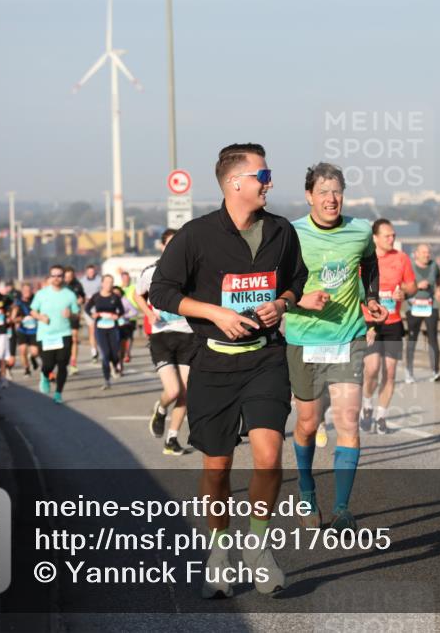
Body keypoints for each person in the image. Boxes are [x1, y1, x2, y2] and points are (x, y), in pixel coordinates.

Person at [150, 143, 306, 598]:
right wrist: (214, 313)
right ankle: (219, 551)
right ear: (236, 182)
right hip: (213, 363)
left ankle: (257, 547)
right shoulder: (195, 236)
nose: (270, 183)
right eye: (264, 175)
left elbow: (297, 281)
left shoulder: (281, 231)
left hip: (265, 358)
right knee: (217, 468)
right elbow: (162, 291)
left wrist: (282, 304)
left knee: (269, 457)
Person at [286, 162, 384, 532]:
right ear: (309, 196)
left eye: (337, 191)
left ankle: (342, 509)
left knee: (347, 419)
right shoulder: (291, 234)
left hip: (348, 337)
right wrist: (300, 300)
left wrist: (371, 298)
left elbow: (370, 264)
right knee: (308, 423)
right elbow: (275, 282)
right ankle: (306, 489)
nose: (331, 199)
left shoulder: (360, 230)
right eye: (323, 192)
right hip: (304, 338)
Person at [136, 228, 194, 457]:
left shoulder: (193, 269)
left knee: (186, 392)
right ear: (162, 247)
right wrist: (149, 314)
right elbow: (138, 294)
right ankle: (160, 409)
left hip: (188, 335)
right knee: (173, 390)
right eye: (170, 244)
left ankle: (171, 439)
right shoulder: (150, 271)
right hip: (162, 335)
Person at [360, 219, 417, 435]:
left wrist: (405, 293)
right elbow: (355, 289)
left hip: (393, 322)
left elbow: (412, 285)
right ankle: (367, 404)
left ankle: (381, 417)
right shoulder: (364, 260)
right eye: (387, 236)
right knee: (372, 368)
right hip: (370, 322)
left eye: (393, 235)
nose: (391, 239)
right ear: (375, 238)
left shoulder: (401, 258)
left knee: (390, 372)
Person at [30, 265, 81, 404]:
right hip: (46, 335)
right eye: (54, 275)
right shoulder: (41, 294)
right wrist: (41, 317)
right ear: (50, 277)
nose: (56, 278)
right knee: (48, 364)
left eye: (59, 275)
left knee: (62, 364)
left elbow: (77, 314)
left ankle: (58, 393)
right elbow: (32, 311)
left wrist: (71, 315)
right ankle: (45, 375)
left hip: (64, 334)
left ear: (63, 277)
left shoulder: (69, 294)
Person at [404, 243, 440, 383]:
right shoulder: (409, 267)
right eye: (423, 252)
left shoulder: (434, 266)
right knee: (412, 339)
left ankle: (435, 372)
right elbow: (402, 285)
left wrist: (439, 290)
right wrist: (417, 286)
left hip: (430, 305)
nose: (427, 255)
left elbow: (439, 278)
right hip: (413, 306)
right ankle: (409, 372)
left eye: (428, 252)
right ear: (416, 254)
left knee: (433, 338)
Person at [84, 274, 125, 390]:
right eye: (107, 282)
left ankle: (115, 364)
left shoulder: (115, 297)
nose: (109, 285)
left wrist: (117, 315)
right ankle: (107, 380)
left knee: (115, 354)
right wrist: (93, 314)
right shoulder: (96, 296)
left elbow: (121, 311)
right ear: (102, 283)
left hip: (113, 328)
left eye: (111, 282)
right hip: (100, 328)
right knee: (105, 354)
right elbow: (87, 308)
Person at [14, 282, 41, 376]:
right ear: (22, 291)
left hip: (34, 330)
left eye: (29, 290)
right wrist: (19, 319)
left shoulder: (36, 300)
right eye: (25, 290)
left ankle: (32, 358)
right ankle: (26, 369)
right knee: (23, 350)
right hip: (23, 330)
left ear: (32, 291)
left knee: (35, 352)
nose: (27, 292)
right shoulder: (18, 302)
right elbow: (13, 318)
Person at [63, 266, 86, 375]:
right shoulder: (61, 285)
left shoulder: (78, 285)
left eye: (70, 276)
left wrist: (81, 301)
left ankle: (73, 363)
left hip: (74, 315)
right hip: (62, 316)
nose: (68, 278)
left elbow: (83, 297)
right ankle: (64, 359)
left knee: (74, 339)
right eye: (66, 276)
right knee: (64, 340)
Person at [80, 264, 103, 362]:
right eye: (89, 272)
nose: (91, 273)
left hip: (98, 308)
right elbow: (80, 294)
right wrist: (84, 298)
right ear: (86, 272)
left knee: (100, 329)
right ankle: (94, 351)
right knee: (92, 329)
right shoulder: (82, 281)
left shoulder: (100, 280)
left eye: (92, 272)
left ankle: (101, 349)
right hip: (88, 308)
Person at [117, 271, 138, 363]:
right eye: (124, 278)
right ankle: (121, 351)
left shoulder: (133, 288)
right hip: (120, 316)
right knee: (121, 336)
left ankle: (127, 353)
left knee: (129, 335)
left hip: (131, 316)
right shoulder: (118, 288)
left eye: (127, 278)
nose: (126, 280)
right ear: (121, 279)